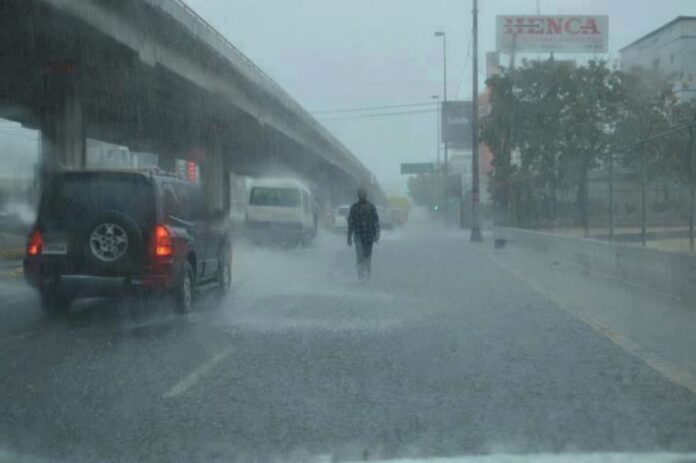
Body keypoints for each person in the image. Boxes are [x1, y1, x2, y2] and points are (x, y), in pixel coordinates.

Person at [347, 187, 380, 281]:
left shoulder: (371, 207)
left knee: (368, 256)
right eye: (360, 194)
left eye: (363, 194)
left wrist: (377, 234)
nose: (362, 196)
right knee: (359, 256)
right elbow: (351, 223)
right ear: (358, 195)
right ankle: (360, 276)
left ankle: (368, 276)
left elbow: (376, 222)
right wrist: (349, 237)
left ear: (366, 195)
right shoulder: (354, 208)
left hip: (369, 237)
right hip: (358, 236)